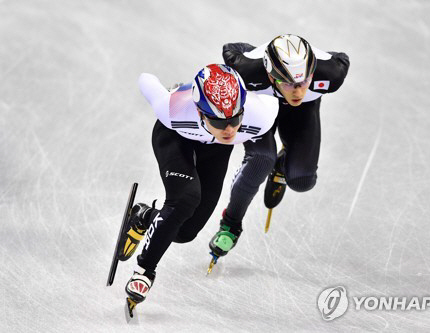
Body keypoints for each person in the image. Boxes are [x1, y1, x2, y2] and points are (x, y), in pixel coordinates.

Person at [118, 64, 278, 313]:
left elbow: (280, 99)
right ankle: (144, 272)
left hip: (215, 150)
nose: (229, 129)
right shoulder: (172, 108)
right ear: (200, 112)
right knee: (185, 199)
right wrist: (174, 91)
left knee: (184, 233)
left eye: (236, 119)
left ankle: (144, 217)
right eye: (218, 120)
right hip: (175, 138)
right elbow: (145, 79)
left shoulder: (262, 113)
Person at [208, 34, 350, 259]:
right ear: (271, 74)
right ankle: (231, 224)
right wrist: (256, 52)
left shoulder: (332, 74)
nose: (298, 92)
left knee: (302, 181)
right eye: (288, 83)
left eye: (304, 82)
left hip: (303, 112)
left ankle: (283, 164)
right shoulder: (247, 69)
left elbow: (341, 57)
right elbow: (231, 48)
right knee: (261, 161)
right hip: (263, 106)